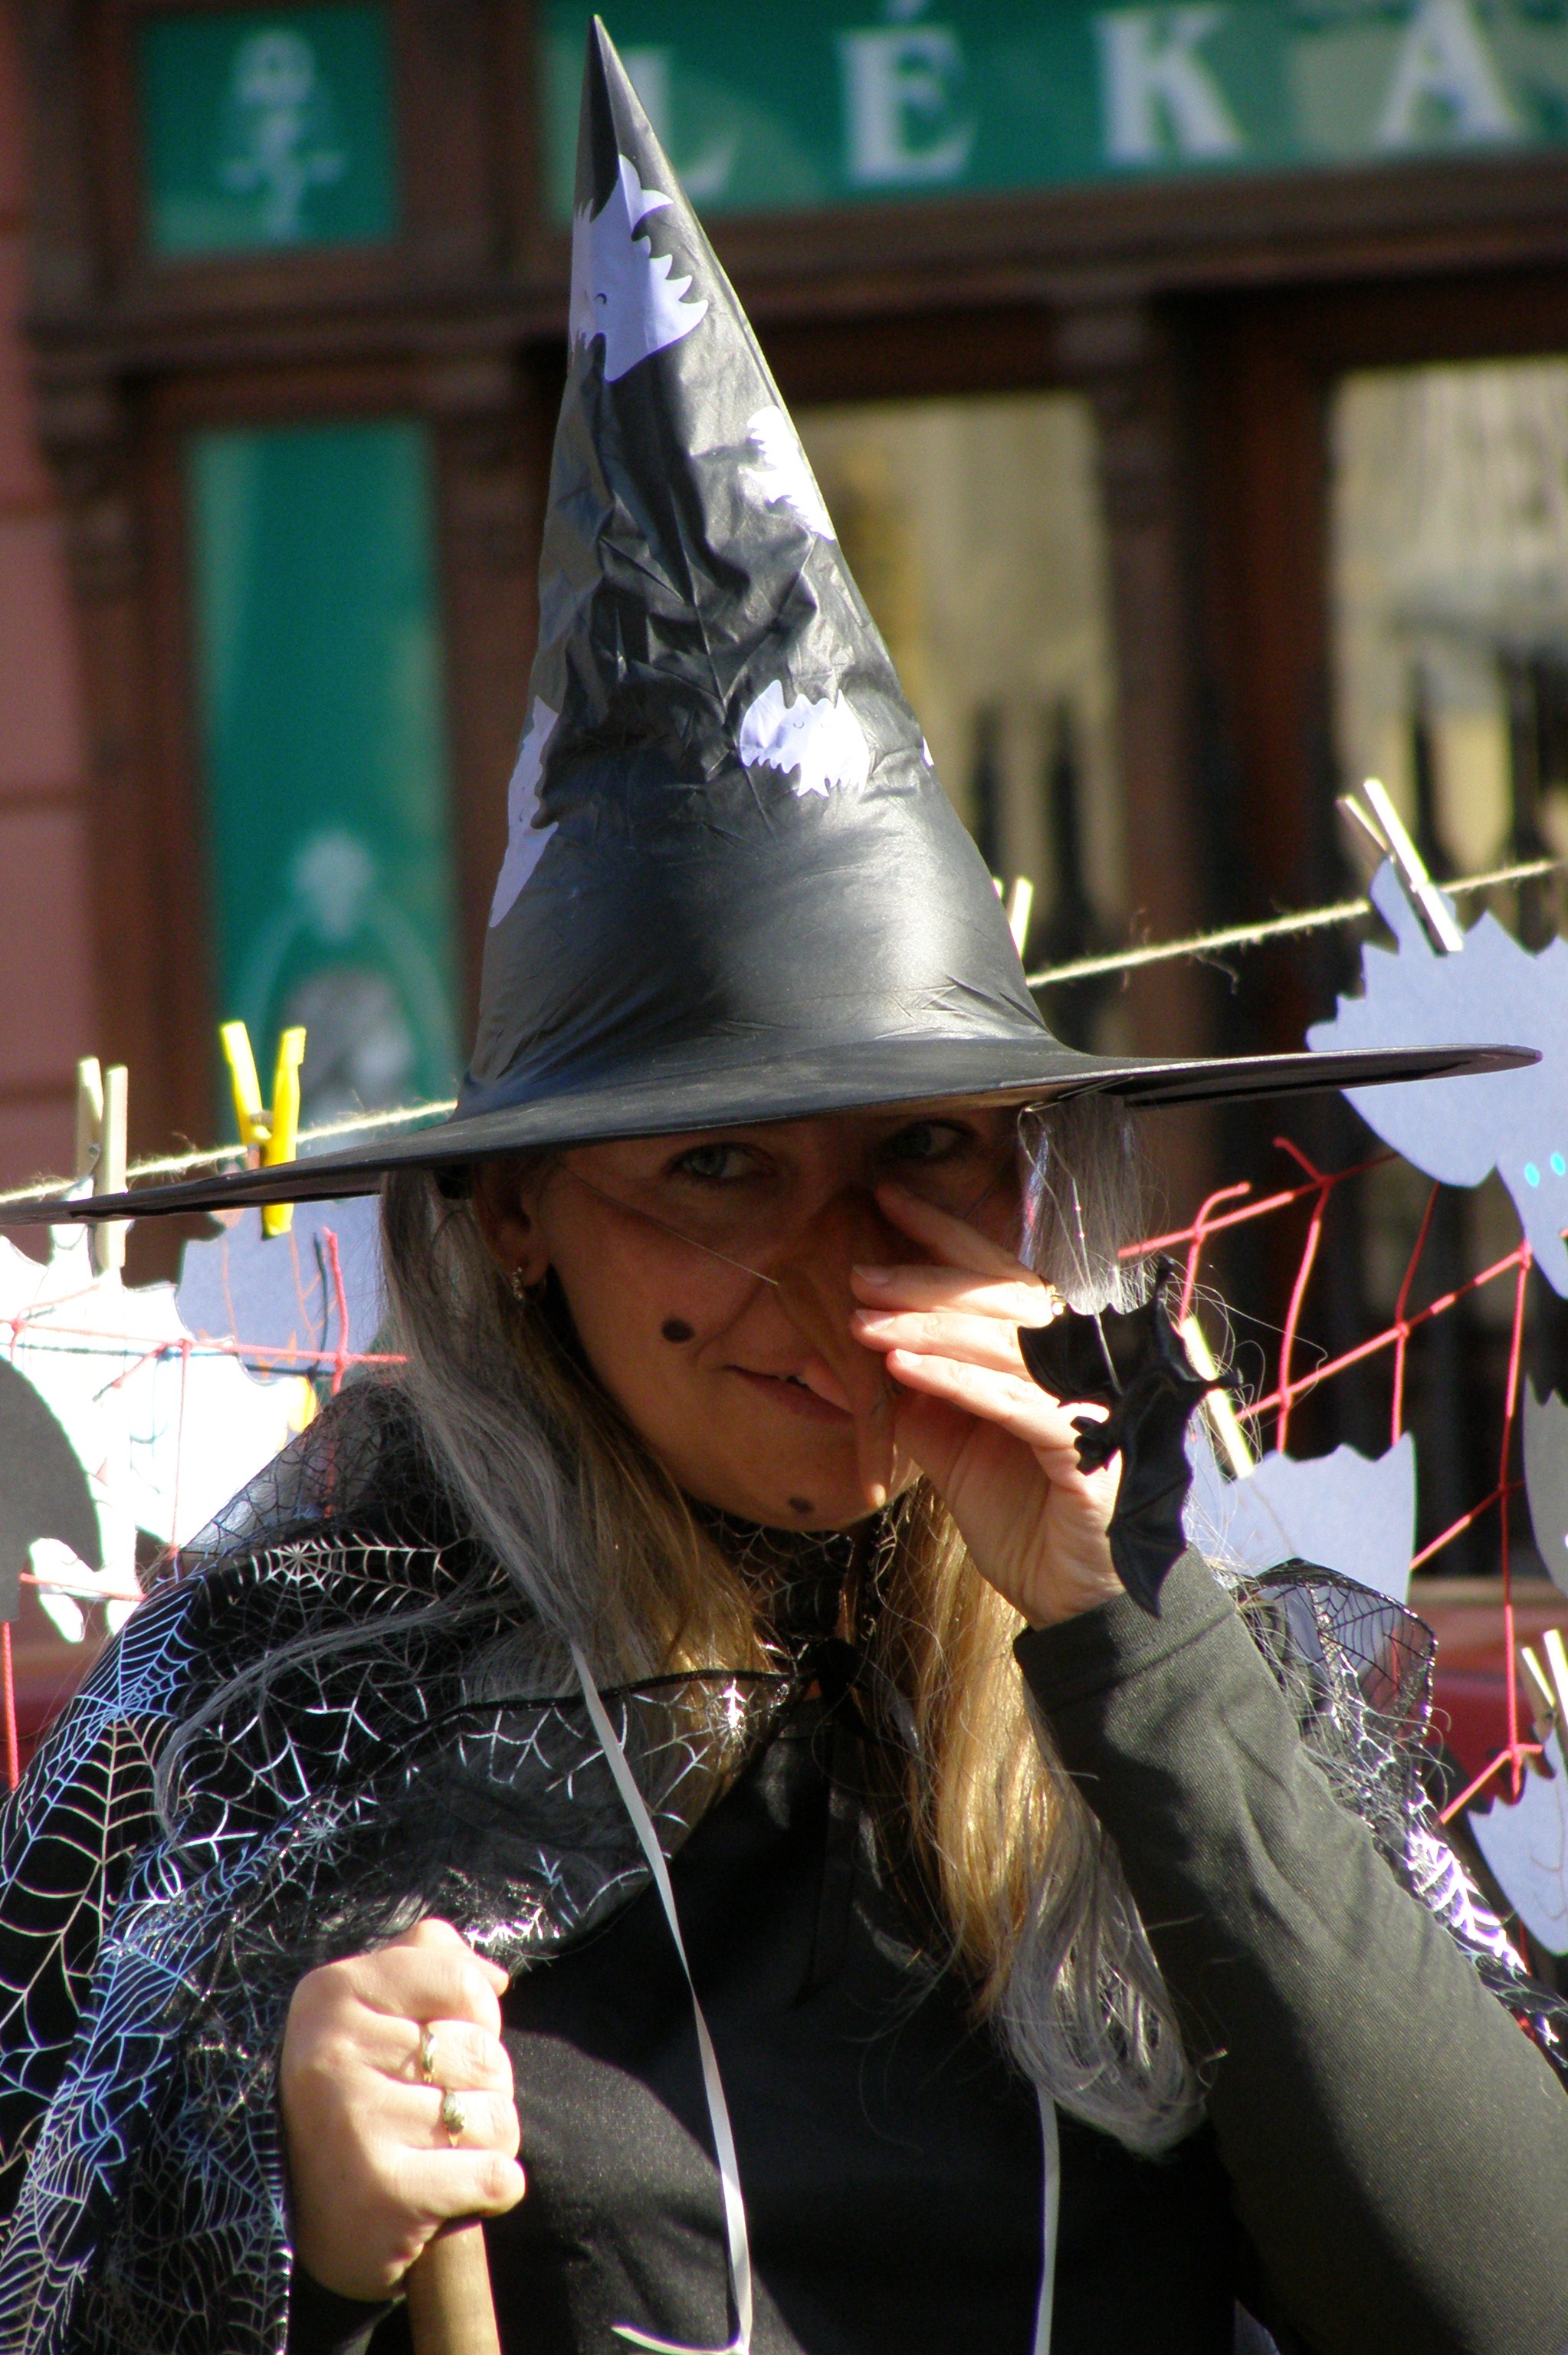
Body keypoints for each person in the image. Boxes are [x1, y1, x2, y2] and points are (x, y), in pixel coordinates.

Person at [1, 23, 1563, 2355]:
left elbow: (1511, 2301)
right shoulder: (263, 1701)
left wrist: (1123, 1638)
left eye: (923, 1154)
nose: (835, 1273)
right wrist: (276, 2215)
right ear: (518, 1220)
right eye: (719, 1168)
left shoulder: (1215, 1659)